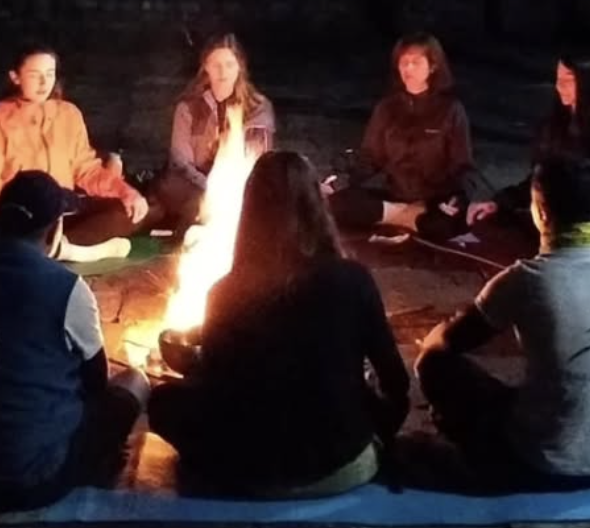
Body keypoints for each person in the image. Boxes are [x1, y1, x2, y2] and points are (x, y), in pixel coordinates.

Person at [148, 151, 410, 496]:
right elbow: (396, 382)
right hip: (342, 465)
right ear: (316, 209)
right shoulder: (352, 279)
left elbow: (215, 387)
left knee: (162, 402)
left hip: (249, 470)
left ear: (250, 213)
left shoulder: (225, 292)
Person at [0, 170, 150, 512]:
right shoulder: (68, 289)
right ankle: (92, 463)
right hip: (27, 482)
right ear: (55, 230)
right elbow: (96, 382)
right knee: (134, 381)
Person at [416, 155, 590, 487]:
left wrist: (432, 336)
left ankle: (479, 452)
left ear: (541, 212)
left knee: (434, 363)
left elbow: (448, 342)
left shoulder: (527, 279)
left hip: (546, 460)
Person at [0, 44, 149, 263]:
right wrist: (6, 213)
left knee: (133, 209)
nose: (44, 83)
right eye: (35, 75)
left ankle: (55, 248)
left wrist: (125, 191)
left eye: (50, 74)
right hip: (24, 214)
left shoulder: (68, 114)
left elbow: (87, 170)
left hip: (64, 209)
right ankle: (67, 249)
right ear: (15, 77)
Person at [327, 33, 487, 242]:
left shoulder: (451, 110)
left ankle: (408, 219)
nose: (408, 68)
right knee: (335, 205)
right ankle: (406, 218)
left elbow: (463, 166)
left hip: (433, 203)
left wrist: (458, 198)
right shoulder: (387, 108)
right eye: (404, 62)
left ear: (432, 66)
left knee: (442, 224)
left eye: (416, 62)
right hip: (394, 198)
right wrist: (338, 182)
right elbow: (369, 158)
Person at [469, 51, 590, 230]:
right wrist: (499, 203)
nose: (559, 86)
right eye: (558, 79)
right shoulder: (553, 126)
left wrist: (582, 223)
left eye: (568, 81)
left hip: (589, 233)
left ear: (588, 82)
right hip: (548, 226)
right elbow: (539, 181)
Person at [146, 33, 276, 235]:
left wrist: (234, 189)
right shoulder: (188, 107)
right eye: (216, 64)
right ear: (205, 66)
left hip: (239, 188)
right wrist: (212, 188)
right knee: (180, 192)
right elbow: (180, 162)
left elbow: (259, 160)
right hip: (195, 185)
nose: (223, 71)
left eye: (229, 64)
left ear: (240, 67)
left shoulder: (257, 107)